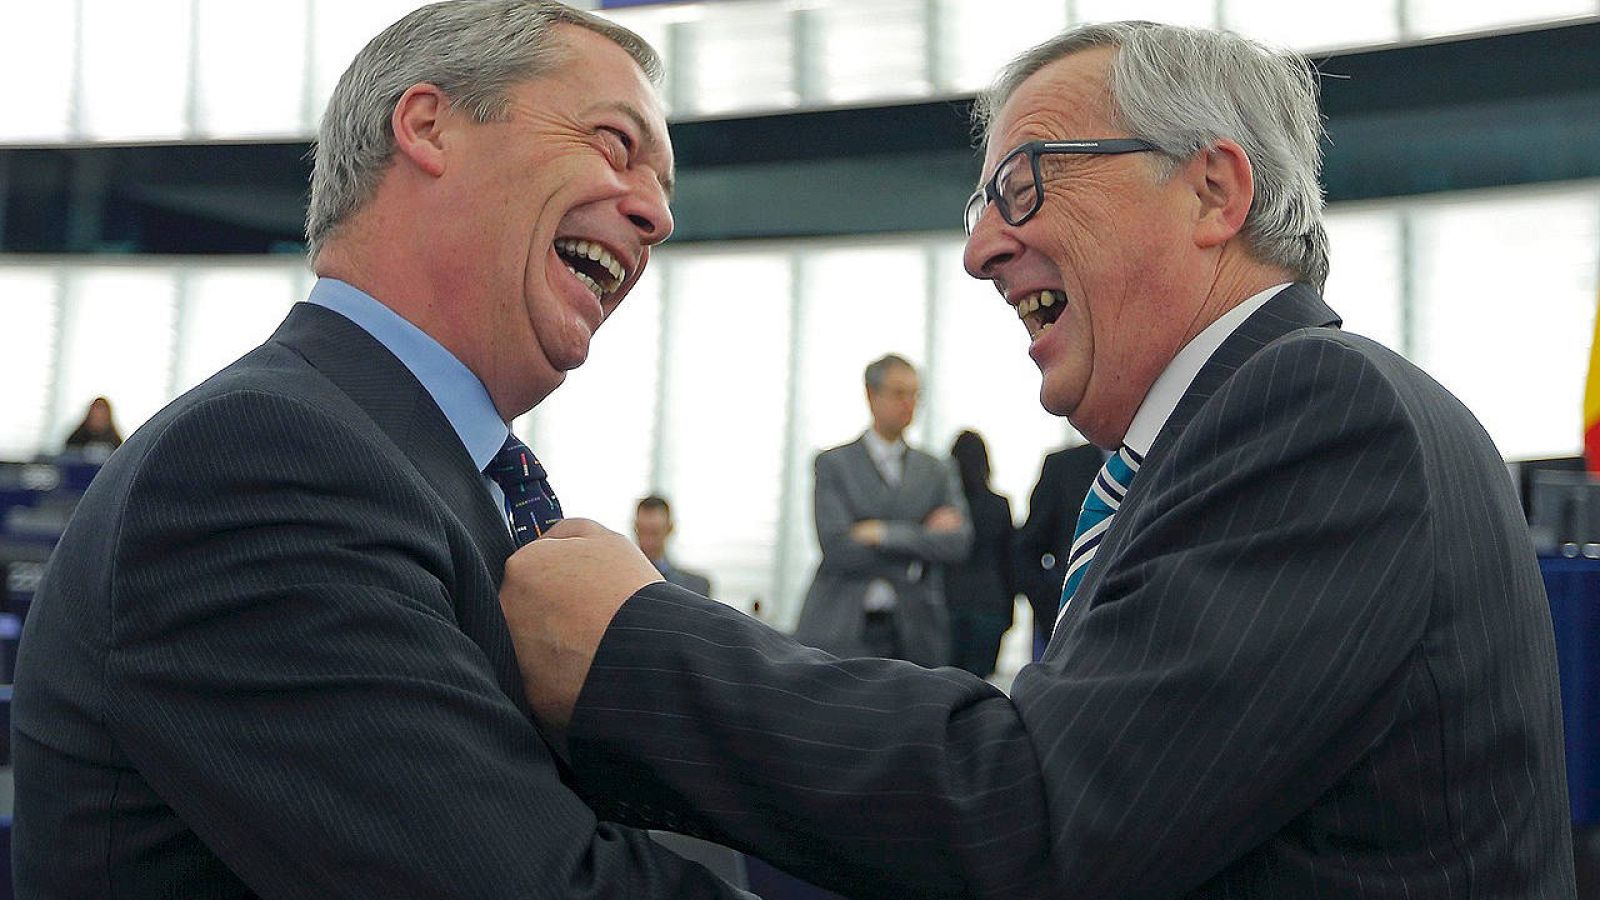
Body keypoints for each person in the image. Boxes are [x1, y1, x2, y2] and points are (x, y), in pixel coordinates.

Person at [499, 20, 1574, 900]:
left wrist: (632, 644)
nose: (978, 250)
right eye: (982, 207)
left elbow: (1041, 821)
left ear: (1212, 191)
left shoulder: (1319, 410)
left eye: (1024, 183)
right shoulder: (1217, 439)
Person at [10, 3, 750, 896]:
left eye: (664, 188)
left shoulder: (396, 466)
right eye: (614, 143)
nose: (657, 217)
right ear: (430, 126)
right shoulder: (255, 466)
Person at [792, 354, 971, 666]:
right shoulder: (834, 464)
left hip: (916, 632)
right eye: (899, 393)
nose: (909, 404)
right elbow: (836, 547)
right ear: (871, 395)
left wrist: (882, 533)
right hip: (842, 627)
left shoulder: (936, 470)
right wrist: (919, 547)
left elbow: (958, 543)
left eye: (915, 395)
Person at [1013, 440, 1103, 656]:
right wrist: (1051, 606)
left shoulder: (1169, 455)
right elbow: (1027, 549)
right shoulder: (1063, 467)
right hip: (1069, 625)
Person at [942, 429, 1015, 678]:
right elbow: (1009, 562)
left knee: (947, 683)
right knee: (980, 687)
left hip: (949, 603)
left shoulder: (945, 512)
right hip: (991, 603)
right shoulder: (999, 505)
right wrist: (1009, 613)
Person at [634, 494, 713, 596]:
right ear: (635, 528)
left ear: (670, 529)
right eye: (643, 531)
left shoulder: (696, 586)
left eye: (654, 532)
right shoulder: (619, 582)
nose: (648, 540)